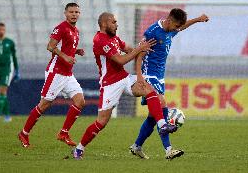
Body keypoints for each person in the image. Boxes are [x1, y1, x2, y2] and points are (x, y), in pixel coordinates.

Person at [72, 12, 177, 160]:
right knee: (101, 122)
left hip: (124, 78)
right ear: (104, 24)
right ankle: (79, 148)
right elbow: (121, 60)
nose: (117, 24)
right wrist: (138, 50)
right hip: (109, 84)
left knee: (148, 89)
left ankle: (162, 124)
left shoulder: (114, 38)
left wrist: (143, 49)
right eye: (113, 22)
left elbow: (129, 49)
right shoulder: (100, 40)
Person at [130, 8, 209, 160]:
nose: (177, 29)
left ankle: (137, 146)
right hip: (149, 74)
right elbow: (139, 54)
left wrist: (198, 19)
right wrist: (140, 78)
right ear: (169, 20)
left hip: (160, 77)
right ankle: (168, 149)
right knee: (162, 103)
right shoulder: (152, 32)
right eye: (176, 26)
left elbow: (182, 27)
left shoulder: (171, 29)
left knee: (153, 117)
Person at [18, 3, 85, 148]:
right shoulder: (61, 28)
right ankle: (24, 133)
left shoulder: (76, 30)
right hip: (56, 72)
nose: (74, 14)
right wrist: (65, 56)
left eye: (77, 12)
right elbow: (50, 46)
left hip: (67, 74)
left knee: (80, 101)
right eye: (71, 12)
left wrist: (76, 51)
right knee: (44, 104)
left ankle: (63, 133)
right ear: (65, 13)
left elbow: (68, 48)